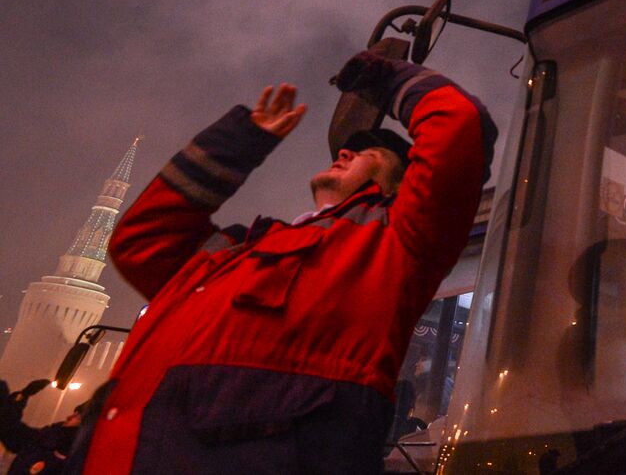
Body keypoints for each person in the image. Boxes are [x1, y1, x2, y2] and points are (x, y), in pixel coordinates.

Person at [73, 52, 496, 473]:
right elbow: (141, 241)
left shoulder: (397, 241)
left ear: (401, 183)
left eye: (369, 152)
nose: (344, 152)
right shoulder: (240, 247)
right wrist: (238, 143)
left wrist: (386, 80)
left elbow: (458, 126)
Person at [0, 378, 83, 474]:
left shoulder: (71, 462)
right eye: (74, 413)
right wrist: (23, 395)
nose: (69, 417)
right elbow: (10, 430)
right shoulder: (46, 438)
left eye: (77, 416)